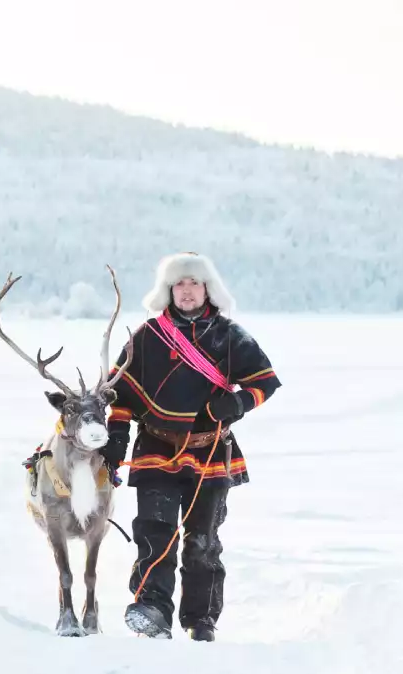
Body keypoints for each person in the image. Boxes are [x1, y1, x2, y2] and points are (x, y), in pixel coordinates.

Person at [102, 252, 280, 642]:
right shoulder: (146, 336)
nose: (186, 290)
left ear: (207, 289)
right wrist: (116, 439)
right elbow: (118, 397)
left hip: (211, 452)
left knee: (203, 542)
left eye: (193, 283)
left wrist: (237, 403)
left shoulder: (230, 336)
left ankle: (201, 620)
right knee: (154, 534)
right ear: (168, 290)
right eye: (178, 284)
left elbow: (265, 383)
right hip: (155, 450)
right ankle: (153, 611)